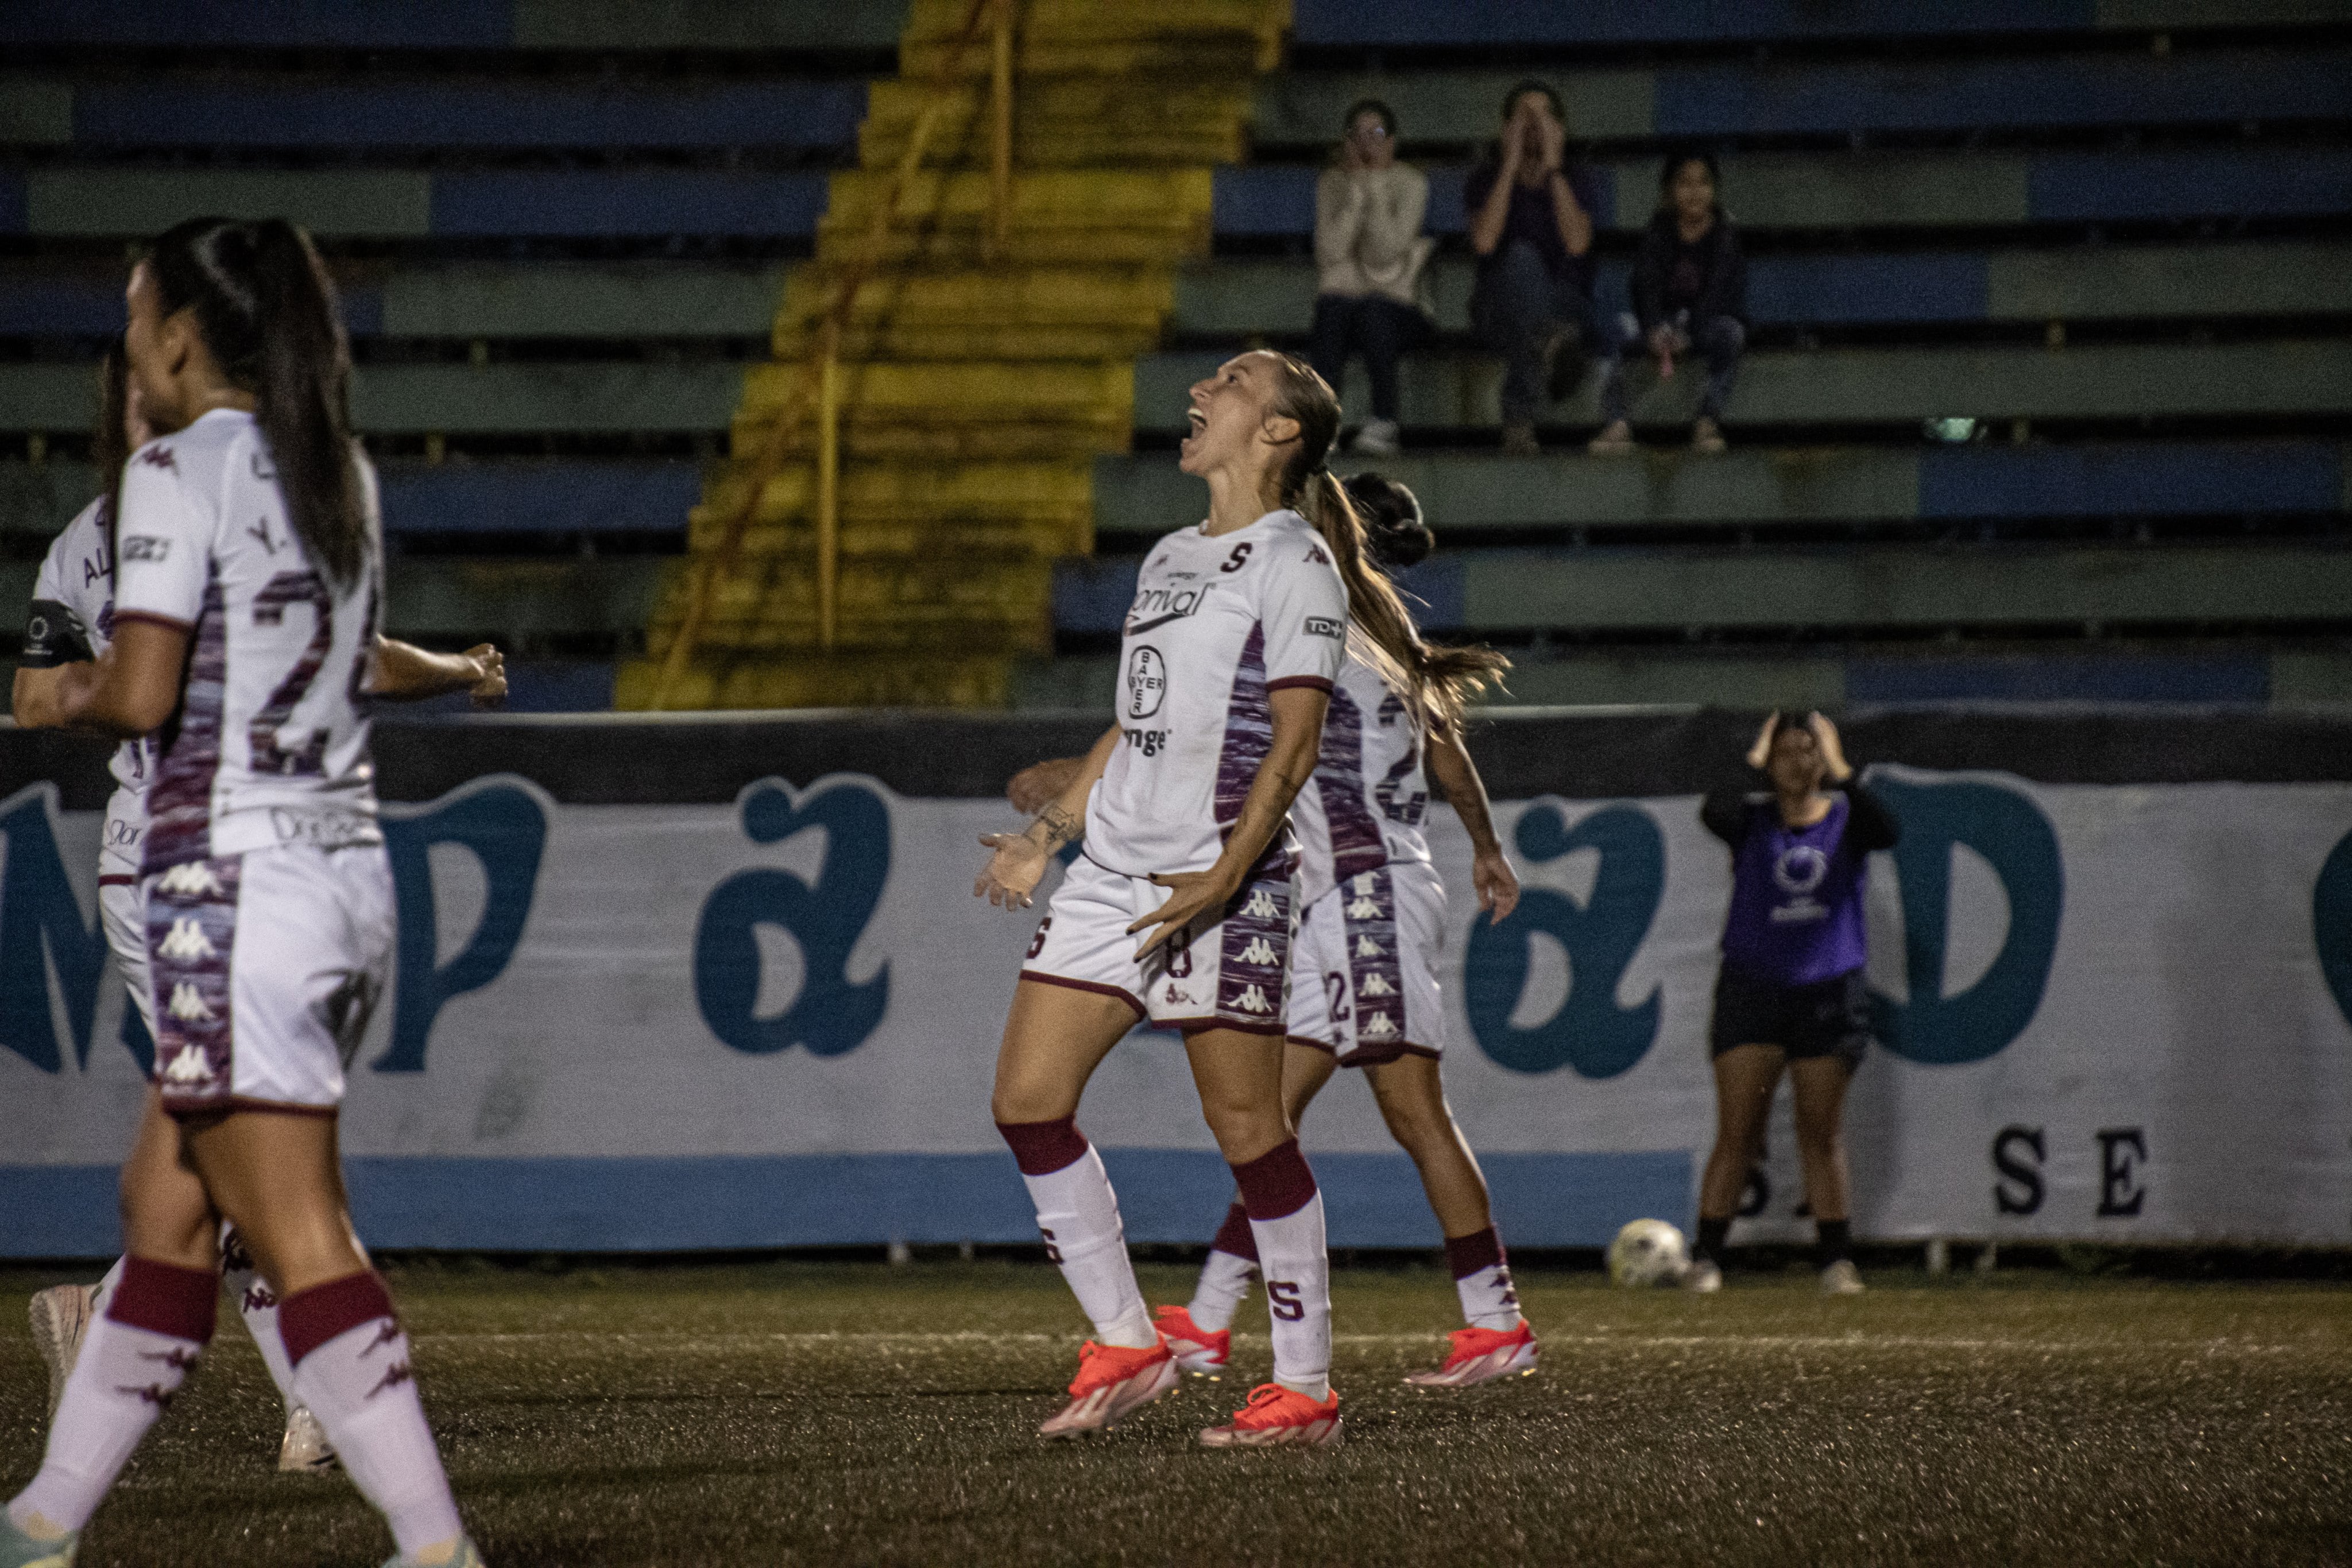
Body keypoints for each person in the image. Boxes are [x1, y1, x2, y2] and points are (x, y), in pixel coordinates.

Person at [3, 216, 485, 1568]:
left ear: (175, 337)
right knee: (164, 1206)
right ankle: (43, 1523)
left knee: (294, 1225)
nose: (125, 347)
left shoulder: (173, 470)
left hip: (232, 878)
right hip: (337, 875)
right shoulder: (336, 473)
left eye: (133, 315)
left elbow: (145, 691)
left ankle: (436, 1542)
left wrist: (63, 693)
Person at [976, 350, 1450, 1451]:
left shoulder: (1294, 565)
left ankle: (1307, 1387)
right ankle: (1130, 1342)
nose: (1204, 390)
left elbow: (1296, 739)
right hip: (1115, 878)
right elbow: (1134, 723)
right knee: (1026, 1103)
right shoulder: (1169, 555)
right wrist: (1049, 838)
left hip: (1218, 883)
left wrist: (1231, 875)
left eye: (1234, 382)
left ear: (1278, 433)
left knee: (1248, 1127)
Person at [1688, 712, 1899, 1296]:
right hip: (1753, 987)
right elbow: (1714, 808)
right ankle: (1706, 1257)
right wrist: (1753, 753)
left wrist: (1841, 766)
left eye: (1809, 751)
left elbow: (1889, 830)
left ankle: (1835, 1259)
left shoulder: (1848, 818)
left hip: (1828, 989)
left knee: (1821, 1129)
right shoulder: (1750, 821)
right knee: (1738, 1130)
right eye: (1786, 750)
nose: (1797, 761)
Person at [1464, 81, 1604, 456]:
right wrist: (1510, 165)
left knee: (1537, 320)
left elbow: (1577, 243)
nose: (1534, 129)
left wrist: (1554, 170)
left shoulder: (1575, 178)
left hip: (1567, 307)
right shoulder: (1486, 179)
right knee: (1522, 259)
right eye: (1525, 120)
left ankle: (1520, 418)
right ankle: (1551, 343)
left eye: (1542, 119)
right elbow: (1485, 242)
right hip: (1499, 309)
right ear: (1506, 128)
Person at [1591, 152, 1747, 457]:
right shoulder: (1658, 232)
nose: (1695, 192)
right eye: (1685, 183)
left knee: (1733, 334)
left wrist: (1687, 334)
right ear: (1670, 190)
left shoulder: (1725, 236)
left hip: (1704, 325)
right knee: (1615, 329)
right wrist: (1654, 330)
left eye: (1703, 183)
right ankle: (1616, 423)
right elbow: (1645, 288)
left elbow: (1719, 295)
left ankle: (1707, 421)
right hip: (1662, 324)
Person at [1310, 99, 1434, 458]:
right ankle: (1324, 424)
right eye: (1358, 135)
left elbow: (1386, 251)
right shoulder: (1333, 184)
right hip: (1345, 304)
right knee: (1332, 311)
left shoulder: (1411, 184)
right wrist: (1354, 195)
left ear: (1392, 141)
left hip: (1399, 307)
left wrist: (1372, 188)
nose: (1367, 144)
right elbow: (1329, 253)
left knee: (1374, 311)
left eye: (1376, 134)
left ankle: (1385, 420)